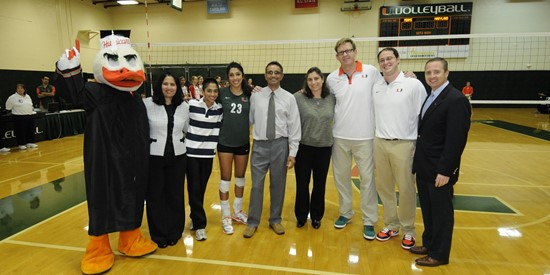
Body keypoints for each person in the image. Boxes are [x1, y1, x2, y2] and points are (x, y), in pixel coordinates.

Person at [56, 34, 157, 274]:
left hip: (133, 160)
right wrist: (69, 69)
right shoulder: (95, 92)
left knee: (134, 195)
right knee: (102, 196)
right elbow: (73, 95)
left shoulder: (135, 99)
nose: (124, 70)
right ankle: (99, 247)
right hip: (104, 159)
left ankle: (130, 238)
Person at [410, 57, 471, 267]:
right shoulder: (431, 95)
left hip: (439, 171)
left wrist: (446, 170)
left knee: (442, 214)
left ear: (447, 73)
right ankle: (429, 244)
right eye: (428, 72)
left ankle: (439, 254)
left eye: (436, 72)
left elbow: (456, 140)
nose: (432, 76)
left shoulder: (456, 99)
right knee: (428, 210)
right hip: (425, 166)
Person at [325, 38, 382, 240]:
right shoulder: (332, 79)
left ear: (355, 52)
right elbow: (321, 100)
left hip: (365, 137)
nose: (345, 55)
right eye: (341, 52)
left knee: (367, 181)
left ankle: (369, 220)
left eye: (348, 51)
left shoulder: (371, 72)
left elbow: (388, 87)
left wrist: (408, 78)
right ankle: (346, 213)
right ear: (337, 56)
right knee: (341, 179)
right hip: (339, 137)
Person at [372, 48, 427, 249]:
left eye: (389, 59)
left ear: (398, 60)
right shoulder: (376, 85)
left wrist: (417, 144)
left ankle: (408, 229)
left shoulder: (413, 84)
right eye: (382, 60)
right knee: (384, 188)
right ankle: (391, 225)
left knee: (405, 189)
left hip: (404, 144)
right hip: (380, 142)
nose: (386, 62)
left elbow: (424, 116)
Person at [243, 61, 301, 238]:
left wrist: (293, 152)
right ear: (265, 75)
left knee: (278, 185)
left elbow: (294, 126)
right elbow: (249, 120)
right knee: (257, 186)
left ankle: (275, 219)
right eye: (270, 72)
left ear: (282, 76)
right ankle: (253, 222)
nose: (273, 75)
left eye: (276, 72)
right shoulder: (256, 96)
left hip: (280, 145)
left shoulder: (289, 98)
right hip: (259, 145)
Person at [144, 72, 189, 248]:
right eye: (165, 84)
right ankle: (158, 234)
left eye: (172, 84)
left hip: (178, 157)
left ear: (177, 87)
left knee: (175, 195)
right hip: (154, 157)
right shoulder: (147, 104)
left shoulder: (184, 107)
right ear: (159, 85)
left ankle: (174, 232)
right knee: (155, 196)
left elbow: (186, 128)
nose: (169, 87)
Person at [293, 67, 335, 229]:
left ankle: (316, 216)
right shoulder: (298, 97)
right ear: (306, 81)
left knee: (320, 184)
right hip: (303, 148)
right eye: (310, 80)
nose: (313, 82)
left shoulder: (332, 97)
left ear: (322, 79)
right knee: (302, 184)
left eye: (316, 79)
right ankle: (301, 216)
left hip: (324, 148)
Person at [217, 62, 252, 235]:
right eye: (231, 75)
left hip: (243, 143)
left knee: (240, 179)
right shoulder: (221, 93)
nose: (235, 78)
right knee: (225, 179)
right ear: (227, 77)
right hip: (225, 143)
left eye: (238, 74)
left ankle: (237, 211)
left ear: (242, 76)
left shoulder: (250, 94)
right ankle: (225, 215)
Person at [186, 77, 223, 241]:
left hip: (208, 155)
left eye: (215, 91)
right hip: (191, 154)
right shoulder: (191, 105)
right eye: (209, 90)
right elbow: (183, 124)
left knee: (200, 189)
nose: (212, 94)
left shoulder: (219, 109)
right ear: (202, 91)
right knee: (194, 188)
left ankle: (195, 217)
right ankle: (200, 225)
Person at [5, 84, 38, 150]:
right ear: (16, 89)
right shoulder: (12, 97)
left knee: (30, 130)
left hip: (29, 115)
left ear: (24, 89)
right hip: (19, 117)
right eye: (18, 88)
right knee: (20, 131)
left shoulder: (27, 96)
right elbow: (8, 107)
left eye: (21, 88)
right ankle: (21, 144)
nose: (20, 90)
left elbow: (31, 105)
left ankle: (30, 142)